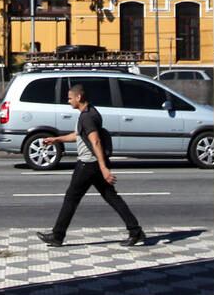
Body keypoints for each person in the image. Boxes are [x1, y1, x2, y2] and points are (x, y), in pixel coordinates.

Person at [37, 83, 145, 247]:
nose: (68, 101)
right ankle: (135, 231)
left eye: (70, 98)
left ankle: (57, 236)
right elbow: (79, 135)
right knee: (112, 197)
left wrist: (103, 167)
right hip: (94, 163)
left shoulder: (86, 116)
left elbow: (95, 140)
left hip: (88, 164)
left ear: (79, 97)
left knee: (71, 198)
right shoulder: (91, 112)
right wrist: (57, 139)